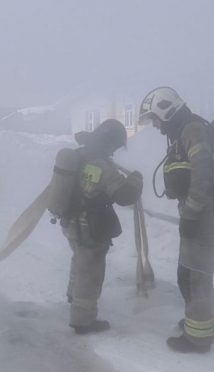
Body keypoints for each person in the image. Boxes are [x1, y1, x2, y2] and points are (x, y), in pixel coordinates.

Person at [139, 87, 214, 353]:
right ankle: (200, 320)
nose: (155, 125)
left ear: (166, 111)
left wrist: (189, 214)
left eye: (155, 119)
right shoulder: (184, 131)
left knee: (195, 278)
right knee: (190, 275)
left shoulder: (192, 131)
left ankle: (198, 339)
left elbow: (202, 178)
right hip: (199, 213)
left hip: (203, 214)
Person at [58, 119, 143, 334]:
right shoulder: (102, 166)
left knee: (79, 259)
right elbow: (125, 196)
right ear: (111, 142)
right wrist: (135, 180)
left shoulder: (80, 155)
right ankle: (83, 320)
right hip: (90, 227)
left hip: (71, 222)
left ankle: (73, 295)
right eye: (115, 146)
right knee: (91, 272)